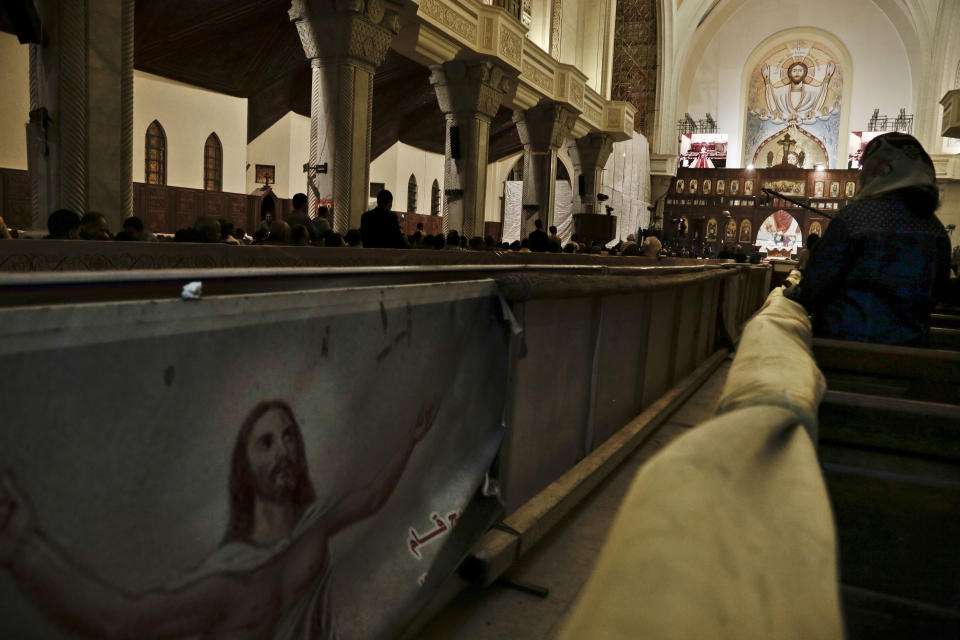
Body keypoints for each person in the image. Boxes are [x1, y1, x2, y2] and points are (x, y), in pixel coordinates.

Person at [0, 399, 439, 639]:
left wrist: (410, 440)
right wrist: (24, 547)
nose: (284, 449)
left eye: (289, 436)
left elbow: (371, 498)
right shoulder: (228, 578)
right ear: (243, 470)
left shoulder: (313, 524)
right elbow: (120, 620)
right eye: (265, 443)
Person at [784, 132, 951, 346]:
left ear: (878, 170)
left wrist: (792, 296)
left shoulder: (855, 217)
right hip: (911, 352)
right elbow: (939, 290)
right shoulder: (934, 227)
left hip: (843, 347)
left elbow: (817, 281)